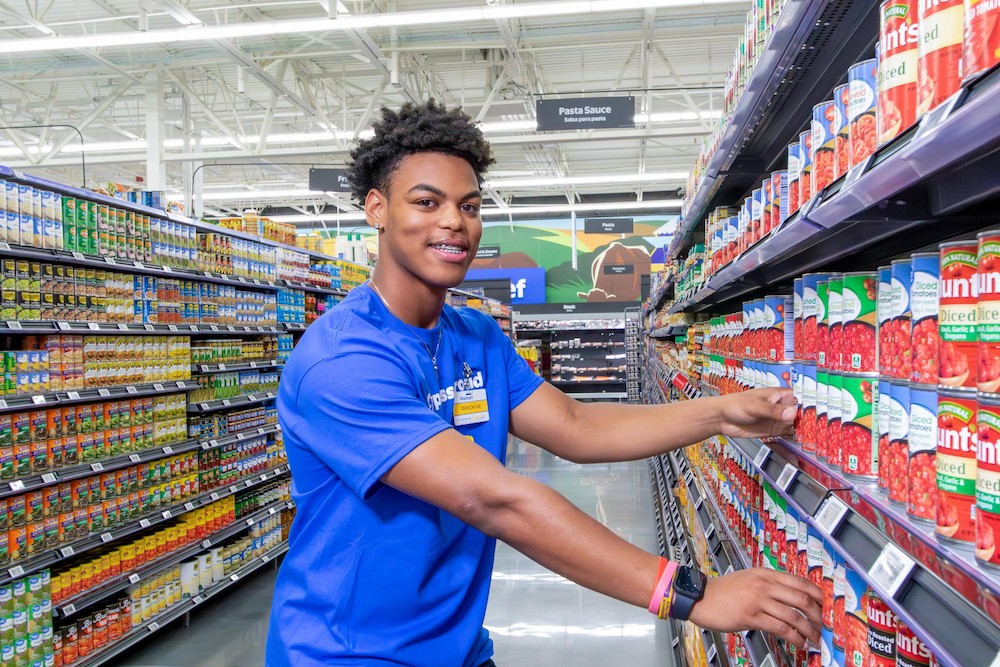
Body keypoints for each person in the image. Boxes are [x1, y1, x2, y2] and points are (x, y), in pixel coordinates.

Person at [265, 100, 822, 667]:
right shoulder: (341, 361)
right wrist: (696, 594)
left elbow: (575, 426)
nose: (454, 222)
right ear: (377, 209)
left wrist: (721, 413)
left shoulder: (477, 336)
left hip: (459, 648)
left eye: (470, 205)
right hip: (344, 654)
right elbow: (495, 500)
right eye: (426, 202)